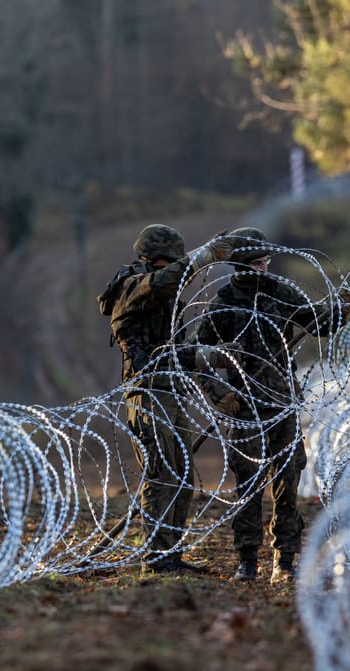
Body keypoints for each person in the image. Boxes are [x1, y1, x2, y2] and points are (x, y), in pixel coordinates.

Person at [190, 226, 348, 583]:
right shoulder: (225, 301)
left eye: (266, 262)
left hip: (283, 403)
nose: (263, 268)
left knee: (288, 481)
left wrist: (338, 309)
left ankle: (286, 560)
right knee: (248, 484)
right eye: (256, 263)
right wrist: (219, 394)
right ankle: (247, 559)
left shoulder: (282, 292)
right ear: (240, 265)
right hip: (245, 406)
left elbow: (320, 324)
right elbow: (195, 355)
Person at [98, 224, 251, 574]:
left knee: (180, 475)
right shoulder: (132, 286)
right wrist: (204, 256)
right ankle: (156, 559)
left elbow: (179, 352)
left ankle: (169, 554)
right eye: (174, 262)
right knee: (162, 472)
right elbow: (161, 284)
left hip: (169, 391)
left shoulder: (168, 301)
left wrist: (215, 377)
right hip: (147, 392)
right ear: (157, 258)